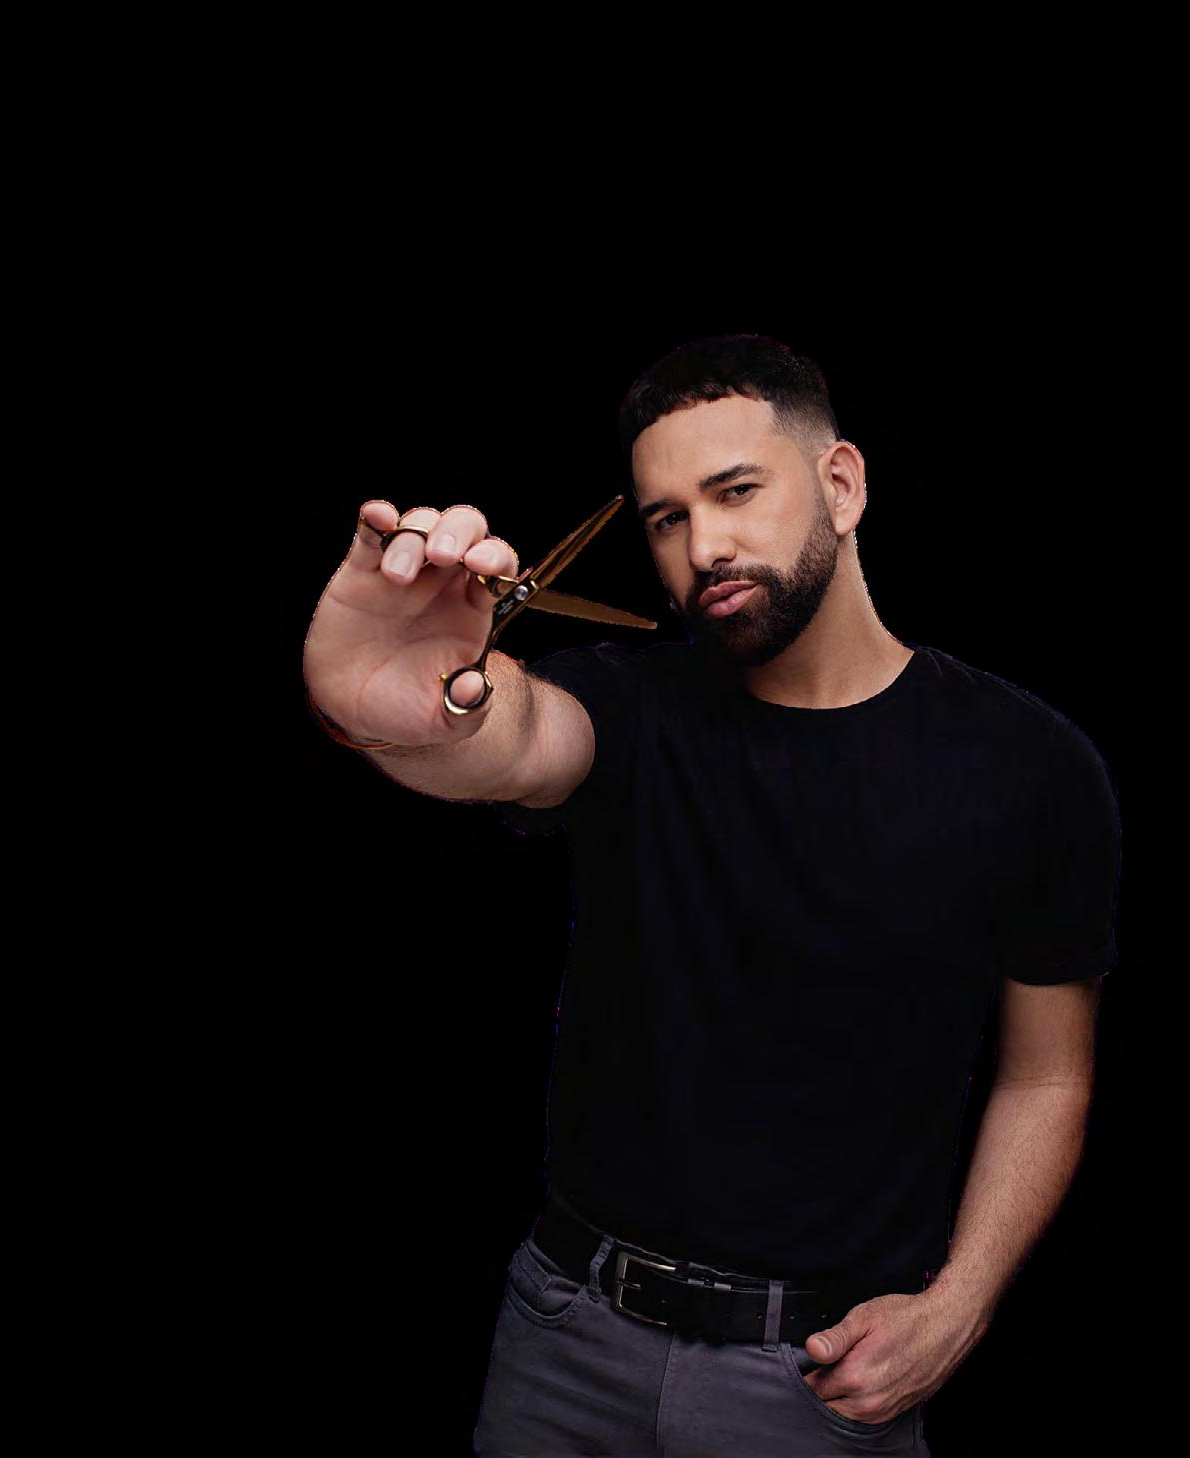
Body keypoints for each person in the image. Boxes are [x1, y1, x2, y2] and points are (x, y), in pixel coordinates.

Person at [302, 333, 1121, 1456]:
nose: (703, 546)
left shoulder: (1031, 768)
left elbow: (1046, 1074)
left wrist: (961, 1303)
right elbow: (514, 734)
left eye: (735, 492)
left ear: (841, 486)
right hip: (562, 1340)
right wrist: (392, 710)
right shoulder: (629, 706)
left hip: (816, 1379)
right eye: (664, 519)